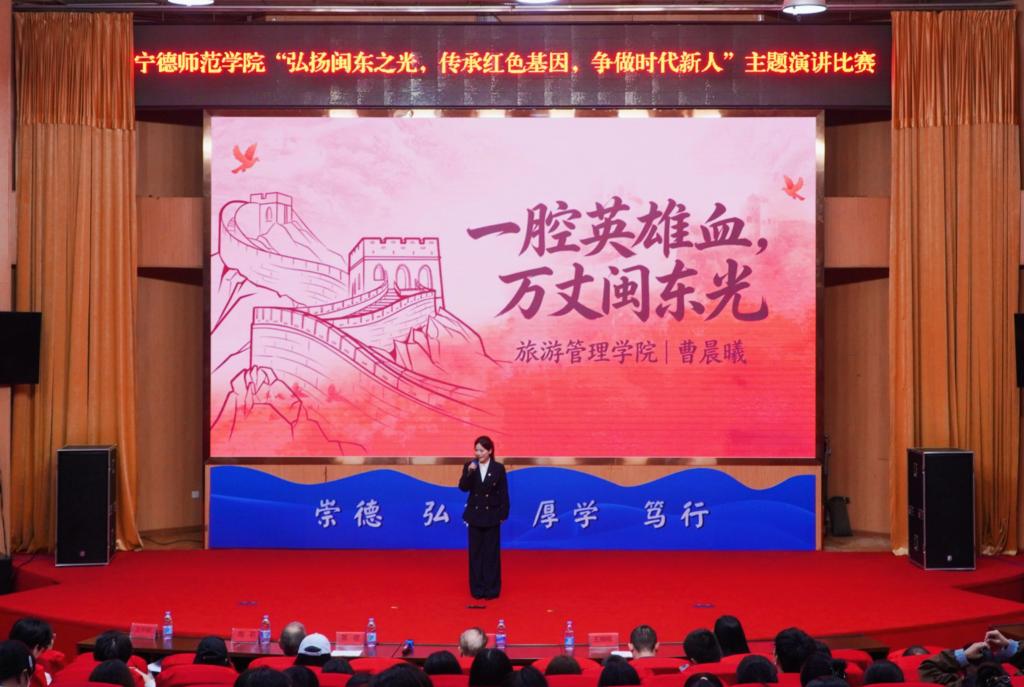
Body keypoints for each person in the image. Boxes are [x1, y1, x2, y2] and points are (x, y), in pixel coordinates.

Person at [458, 436, 509, 600]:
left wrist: (503, 513)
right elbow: (463, 487)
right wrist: (469, 472)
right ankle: (477, 589)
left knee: (491, 554)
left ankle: (492, 589)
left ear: (490, 451)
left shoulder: (498, 468)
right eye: (476, 450)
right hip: (474, 515)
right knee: (475, 554)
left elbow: (503, 493)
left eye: (481, 450)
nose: (478, 453)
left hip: (492, 515)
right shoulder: (469, 466)